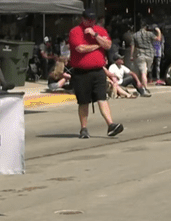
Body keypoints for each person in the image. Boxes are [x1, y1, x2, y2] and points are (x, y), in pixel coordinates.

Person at [68, 8, 124, 139]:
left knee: (102, 97)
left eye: (93, 20)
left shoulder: (99, 30)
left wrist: (95, 36)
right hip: (81, 72)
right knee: (83, 101)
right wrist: (98, 46)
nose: (91, 22)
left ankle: (110, 124)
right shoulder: (75, 31)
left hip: (98, 71)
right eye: (88, 20)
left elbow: (109, 45)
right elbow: (80, 48)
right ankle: (84, 128)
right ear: (83, 19)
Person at [129, 23, 159, 96]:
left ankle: (144, 88)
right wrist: (158, 31)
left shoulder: (135, 35)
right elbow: (158, 39)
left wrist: (131, 55)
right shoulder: (150, 34)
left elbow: (132, 46)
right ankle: (144, 87)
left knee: (143, 72)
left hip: (140, 54)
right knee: (145, 71)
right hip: (150, 54)